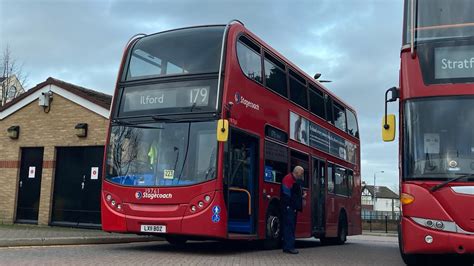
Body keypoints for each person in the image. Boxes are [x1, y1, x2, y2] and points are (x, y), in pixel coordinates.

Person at [281, 166, 305, 254]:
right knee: (289, 227)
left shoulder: (293, 180)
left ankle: (288, 246)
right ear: (297, 172)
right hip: (289, 207)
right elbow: (286, 194)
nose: (302, 175)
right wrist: (290, 205)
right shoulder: (288, 179)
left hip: (292, 207)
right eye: (301, 173)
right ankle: (289, 247)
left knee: (290, 227)